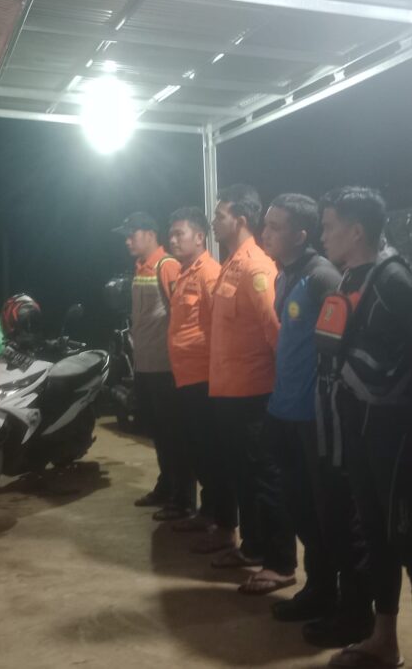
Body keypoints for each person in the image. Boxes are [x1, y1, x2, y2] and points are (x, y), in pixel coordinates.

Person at [316, 187, 412, 669]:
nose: (323, 236)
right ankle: (384, 640)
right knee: (375, 536)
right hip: (360, 425)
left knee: (411, 544)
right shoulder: (352, 275)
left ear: (356, 231)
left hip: (393, 432)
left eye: (329, 226)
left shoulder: (392, 279)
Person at [259, 194, 360, 615]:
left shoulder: (322, 276)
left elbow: (346, 341)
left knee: (325, 513)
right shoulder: (284, 276)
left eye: (275, 227)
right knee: (299, 507)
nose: (266, 234)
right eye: (266, 224)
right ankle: (317, 589)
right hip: (284, 409)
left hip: (314, 417)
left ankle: (333, 597)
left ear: (301, 235)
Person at [207, 184, 290, 590]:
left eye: (219, 215)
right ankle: (254, 547)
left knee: (265, 479)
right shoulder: (231, 265)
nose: (213, 222)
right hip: (230, 394)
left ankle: (281, 563)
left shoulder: (257, 267)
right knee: (244, 477)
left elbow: (275, 332)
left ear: (240, 219)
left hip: (255, 395)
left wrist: (282, 392)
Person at [165, 206, 235, 554]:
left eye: (179, 234)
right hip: (187, 378)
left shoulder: (209, 273)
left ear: (199, 237)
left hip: (205, 380)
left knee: (213, 455)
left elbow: (217, 329)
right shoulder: (184, 273)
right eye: (171, 234)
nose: (173, 240)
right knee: (199, 452)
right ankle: (208, 513)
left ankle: (223, 524)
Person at [116, 212, 188, 519]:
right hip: (145, 367)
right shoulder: (140, 268)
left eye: (132, 234)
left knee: (174, 435)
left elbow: (180, 315)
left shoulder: (166, 266)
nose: (127, 240)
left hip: (165, 369)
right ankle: (166, 486)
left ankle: (183, 499)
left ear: (150, 233)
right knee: (158, 433)